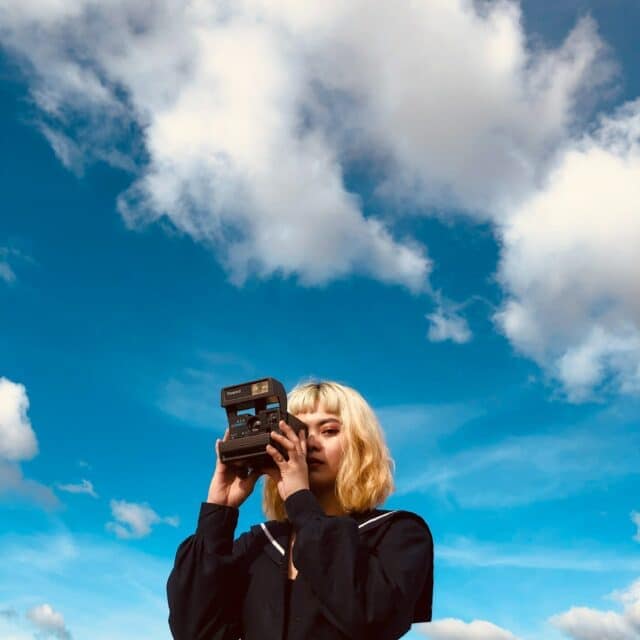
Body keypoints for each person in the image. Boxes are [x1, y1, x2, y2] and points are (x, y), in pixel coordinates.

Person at [166, 380, 434, 640]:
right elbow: (193, 630)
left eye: (329, 431)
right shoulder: (260, 543)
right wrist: (219, 512)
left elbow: (372, 620)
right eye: (299, 432)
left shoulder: (398, 532)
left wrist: (300, 501)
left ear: (360, 445)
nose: (310, 443)